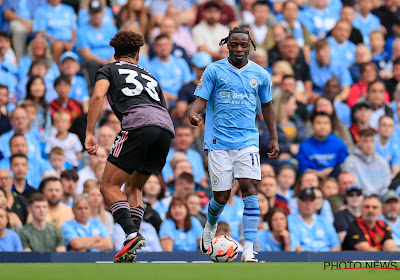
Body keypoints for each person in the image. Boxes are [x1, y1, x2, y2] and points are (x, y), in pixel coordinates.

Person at [188, 27, 279, 262]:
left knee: (250, 188)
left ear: (250, 46)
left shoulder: (260, 75)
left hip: (248, 140)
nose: (239, 49)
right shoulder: (214, 71)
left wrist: (274, 137)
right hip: (219, 142)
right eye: (234, 44)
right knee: (221, 196)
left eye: (243, 45)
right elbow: (201, 99)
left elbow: (267, 107)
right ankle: (210, 225)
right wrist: (192, 112)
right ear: (227, 45)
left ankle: (248, 247)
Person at [84, 31, 174, 263]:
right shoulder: (151, 76)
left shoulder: (109, 69)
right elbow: (161, 106)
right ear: (137, 55)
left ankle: (132, 234)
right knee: (134, 189)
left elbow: (97, 97)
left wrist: (89, 132)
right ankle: (131, 243)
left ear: (115, 55)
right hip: (165, 128)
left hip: (138, 125)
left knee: (109, 186)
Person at [77, 0, 118, 90]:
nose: (96, 15)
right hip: (94, 63)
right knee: (92, 64)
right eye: (93, 13)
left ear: (103, 13)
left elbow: (116, 47)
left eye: (98, 12)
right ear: (89, 14)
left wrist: (111, 60)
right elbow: (86, 54)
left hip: (110, 60)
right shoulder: (82, 30)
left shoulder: (111, 27)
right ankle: (93, 90)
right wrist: (104, 62)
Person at [296, 112, 348, 178]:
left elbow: (343, 164)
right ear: (312, 126)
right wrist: (319, 174)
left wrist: (332, 170)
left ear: (331, 127)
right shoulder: (304, 146)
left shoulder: (339, 144)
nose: (322, 126)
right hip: (313, 178)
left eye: (326, 123)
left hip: (334, 178)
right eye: (318, 123)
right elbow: (303, 168)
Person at [342, 129, 391, 196]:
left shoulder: (382, 161)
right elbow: (351, 184)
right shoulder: (350, 161)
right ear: (359, 142)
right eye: (365, 141)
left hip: (381, 197)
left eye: (371, 141)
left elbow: (387, 181)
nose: (369, 145)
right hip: (359, 196)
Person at [33, 0, 77, 66]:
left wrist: (72, 42)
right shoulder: (41, 11)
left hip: (70, 42)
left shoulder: (69, 9)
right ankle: (57, 71)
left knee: (82, 46)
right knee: (58, 46)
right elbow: (41, 32)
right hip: (52, 42)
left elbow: (74, 29)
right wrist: (62, 43)